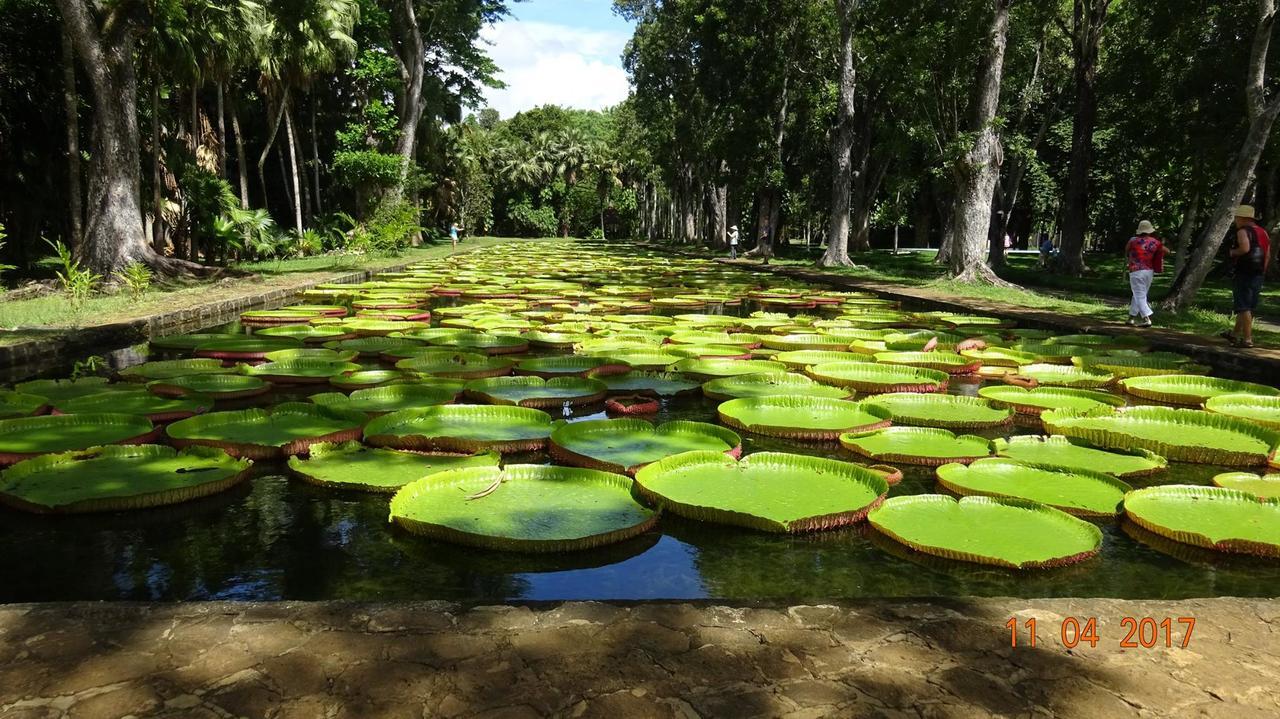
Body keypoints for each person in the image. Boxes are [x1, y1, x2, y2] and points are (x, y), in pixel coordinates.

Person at [1222, 205, 1271, 348]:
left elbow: (1245, 248)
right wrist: (1263, 270)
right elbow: (1267, 254)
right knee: (1246, 306)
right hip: (1258, 273)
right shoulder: (1263, 232)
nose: (1235, 220)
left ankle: (1248, 339)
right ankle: (1234, 335)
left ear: (1243, 218)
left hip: (1244, 272)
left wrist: (1232, 253)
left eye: (1236, 217)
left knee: (1243, 306)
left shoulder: (1243, 231)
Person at [1124, 220, 1167, 327]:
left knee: (1139, 295)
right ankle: (1131, 318)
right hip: (1149, 271)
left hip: (1136, 271)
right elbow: (1167, 251)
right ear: (1149, 230)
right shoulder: (1155, 242)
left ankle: (1146, 318)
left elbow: (1126, 250)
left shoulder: (1133, 241)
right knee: (1139, 294)